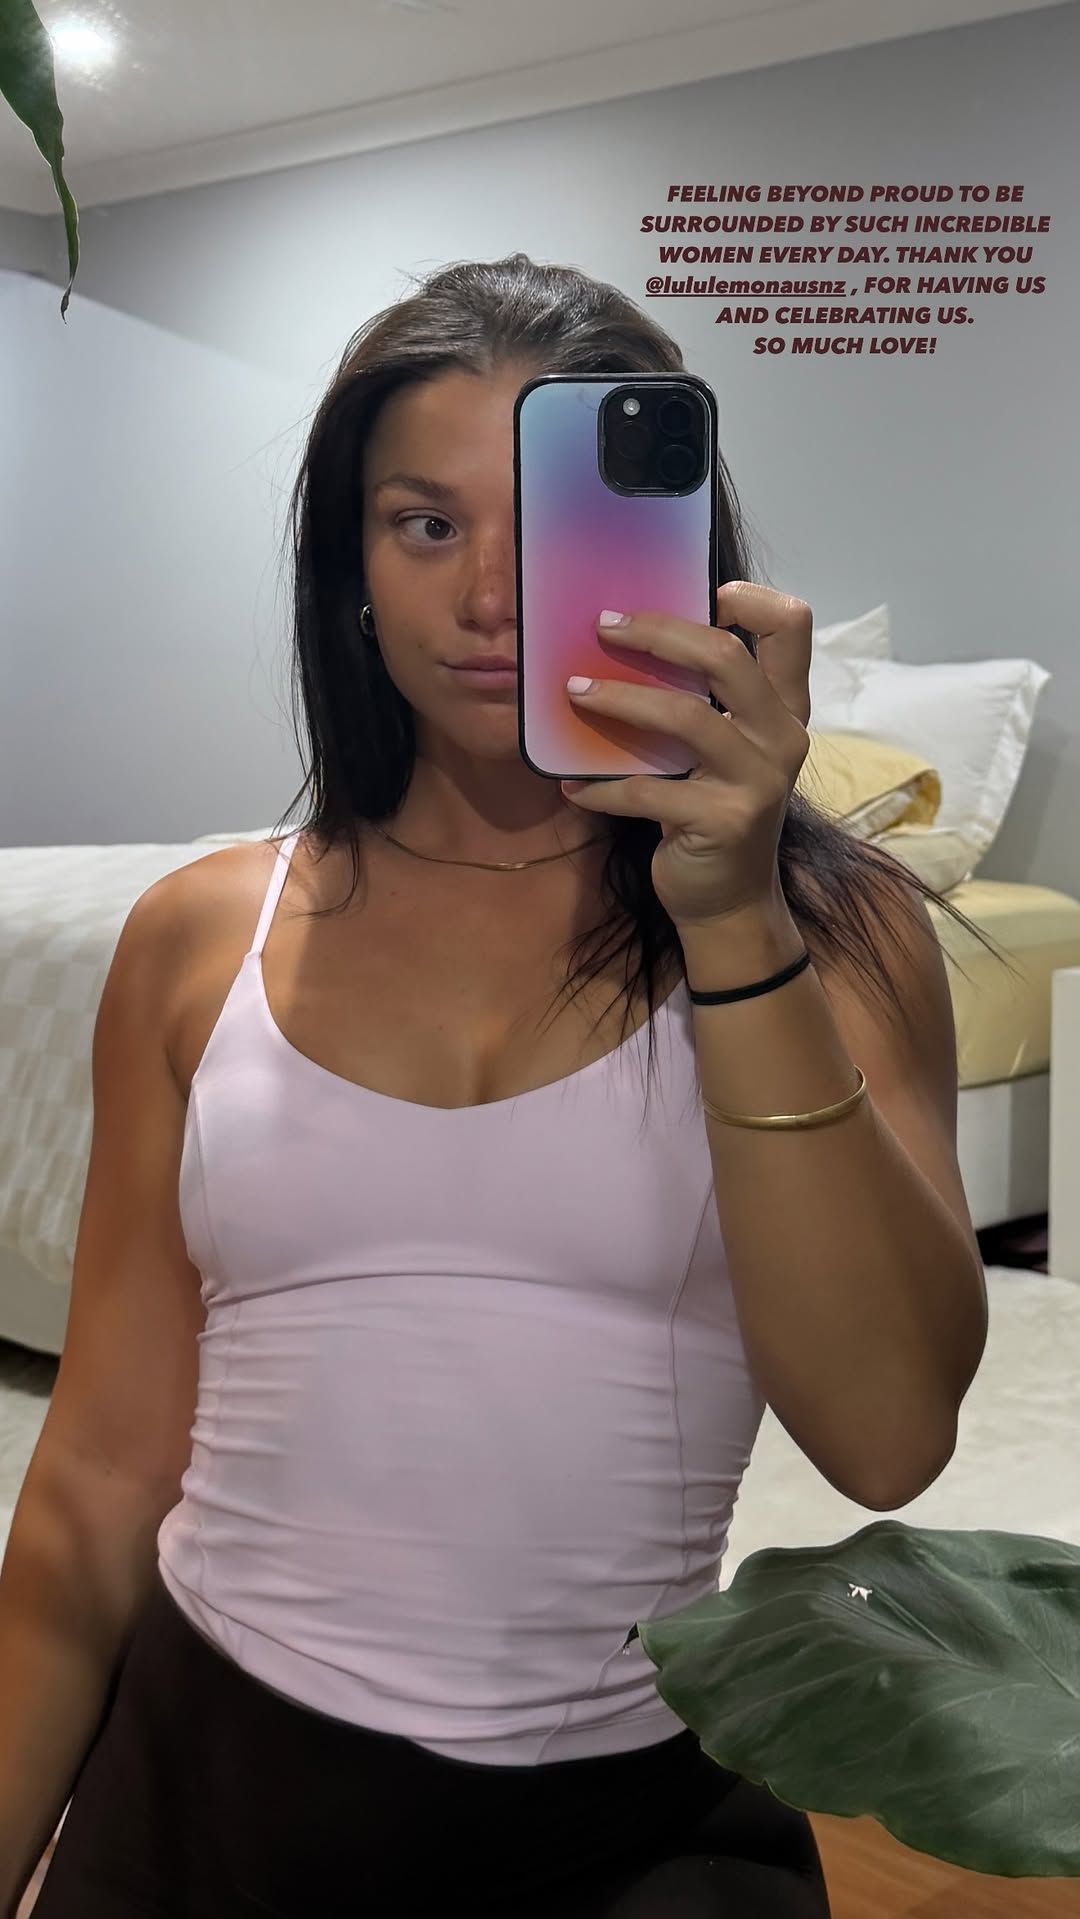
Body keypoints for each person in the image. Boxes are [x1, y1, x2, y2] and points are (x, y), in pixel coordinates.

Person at [1, 253, 993, 1919]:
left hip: (623, 1831)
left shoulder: (831, 933)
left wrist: (733, 917)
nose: (490, 600)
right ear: (348, 572)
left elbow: (890, 1437)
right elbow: (97, 1481)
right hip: (201, 1786)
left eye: (552, 532)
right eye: (425, 523)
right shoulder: (196, 939)